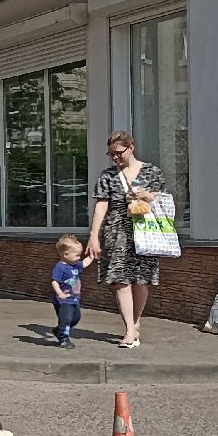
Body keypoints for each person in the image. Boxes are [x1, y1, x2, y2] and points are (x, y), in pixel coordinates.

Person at [86, 131, 168, 349]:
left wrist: (147, 196)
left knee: (141, 281)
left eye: (118, 153)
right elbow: (101, 205)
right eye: (111, 154)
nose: (115, 157)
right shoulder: (108, 176)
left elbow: (163, 200)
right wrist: (94, 236)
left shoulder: (152, 172)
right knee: (121, 280)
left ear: (131, 147)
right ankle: (130, 330)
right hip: (116, 231)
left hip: (145, 231)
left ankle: (135, 321)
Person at [50, 235, 90, 348]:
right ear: (66, 254)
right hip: (63, 301)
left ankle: (59, 330)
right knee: (66, 319)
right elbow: (54, 282)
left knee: (75, 318)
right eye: (77, 255)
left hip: (74, 299)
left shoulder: (75, 265)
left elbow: (85, 263)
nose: (79, 257)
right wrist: (60, 293)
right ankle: (64, 339)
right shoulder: (60, 267)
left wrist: (93, 255)